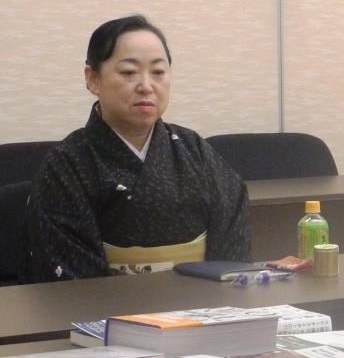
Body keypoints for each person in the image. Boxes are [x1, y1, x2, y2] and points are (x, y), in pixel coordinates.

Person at [22, 15, 250, 282]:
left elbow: (230, 260)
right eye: (129, 72)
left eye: (158, 72)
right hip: (104, 306)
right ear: (93, 79)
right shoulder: (67, 164)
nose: (146, 86)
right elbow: (73, 280)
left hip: (200, 302)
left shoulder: (196, 151)